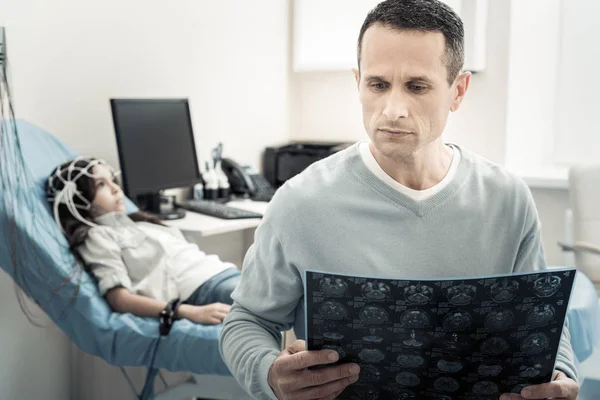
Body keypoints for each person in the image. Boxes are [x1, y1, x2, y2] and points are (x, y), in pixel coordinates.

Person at [219, 1, 579, 399]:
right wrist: (269, 373)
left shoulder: (508, 201)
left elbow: (541, 328)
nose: (392, 110)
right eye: (377, 84)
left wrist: (559, 373)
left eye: (417, 86)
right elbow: (246, 320)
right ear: (358, 83)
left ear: (457, 91)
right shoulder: (299, 203)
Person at [46, 156, 240, 325]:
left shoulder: (138, 223)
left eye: (113, 180)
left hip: (229, 274)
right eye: (101, 184)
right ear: (77, 200)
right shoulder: (99, 236)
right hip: (207, 289)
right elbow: (119, 298)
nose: (115, 189)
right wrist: (187, 312)